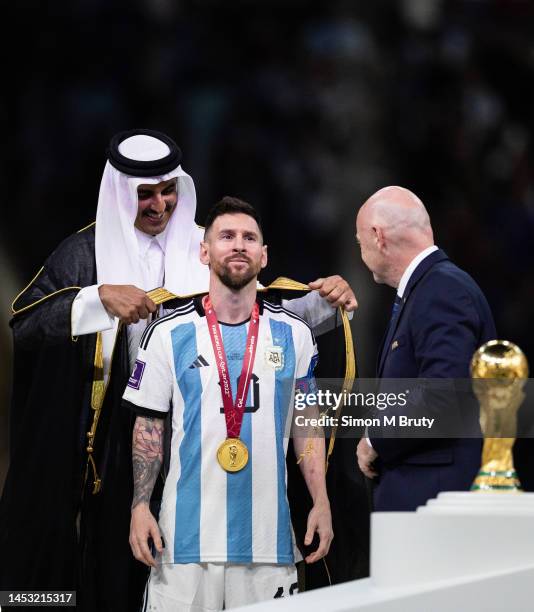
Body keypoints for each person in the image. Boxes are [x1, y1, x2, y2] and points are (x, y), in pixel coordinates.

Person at [0, 129, 356, 611]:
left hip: (205, 444)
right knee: (108, 575)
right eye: (144, 193)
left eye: (168, 190)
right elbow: (25, 324)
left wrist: (327, 302)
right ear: (122, 191)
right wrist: (98, 298)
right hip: (113, 450)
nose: (159, 204)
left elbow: (259, 317)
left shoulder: (206, 245)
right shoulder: (85, 254)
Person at [123, 196, 333, 611]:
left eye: (249, 238)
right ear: (204, 252)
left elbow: (306, 425)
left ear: (264, 254)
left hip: (267, 546)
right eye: (226, 236)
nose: (239, 245)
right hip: (182, 544)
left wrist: (321, 501)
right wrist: (140, 505)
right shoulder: (167, 332)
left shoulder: (295, 334)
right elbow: (150, 425)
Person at [355, 186, 496, 512]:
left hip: (434, 501)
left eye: (359, 240)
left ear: (378, 236)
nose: (360, 250)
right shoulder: (431, 288)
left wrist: (375, 439)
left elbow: (442, 395)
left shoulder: (440, 289)